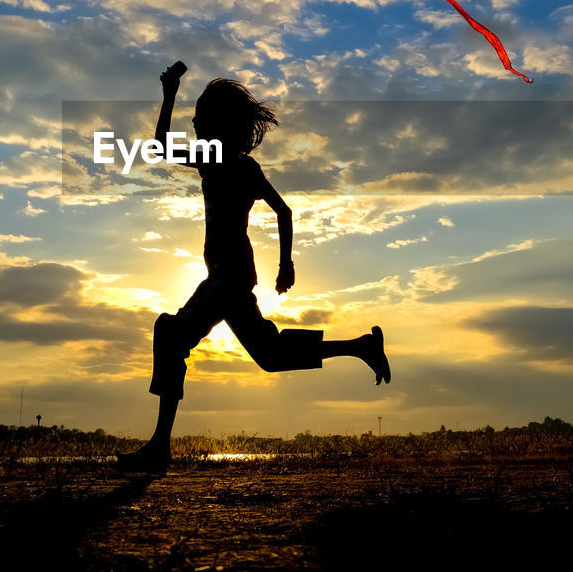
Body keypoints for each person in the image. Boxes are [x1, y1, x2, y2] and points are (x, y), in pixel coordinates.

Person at [116, 62, 390, 473]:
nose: (192, 122)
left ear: (218, 123)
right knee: (270, 354)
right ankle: (360, 346)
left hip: (229, 276)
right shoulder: (223, 162)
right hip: (229, 275)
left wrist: (287, 264)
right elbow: (160, 148)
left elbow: (283, 210)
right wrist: (284, 265)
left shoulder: (232, 164)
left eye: (199, 117)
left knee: (170, 332)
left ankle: (159, 447)